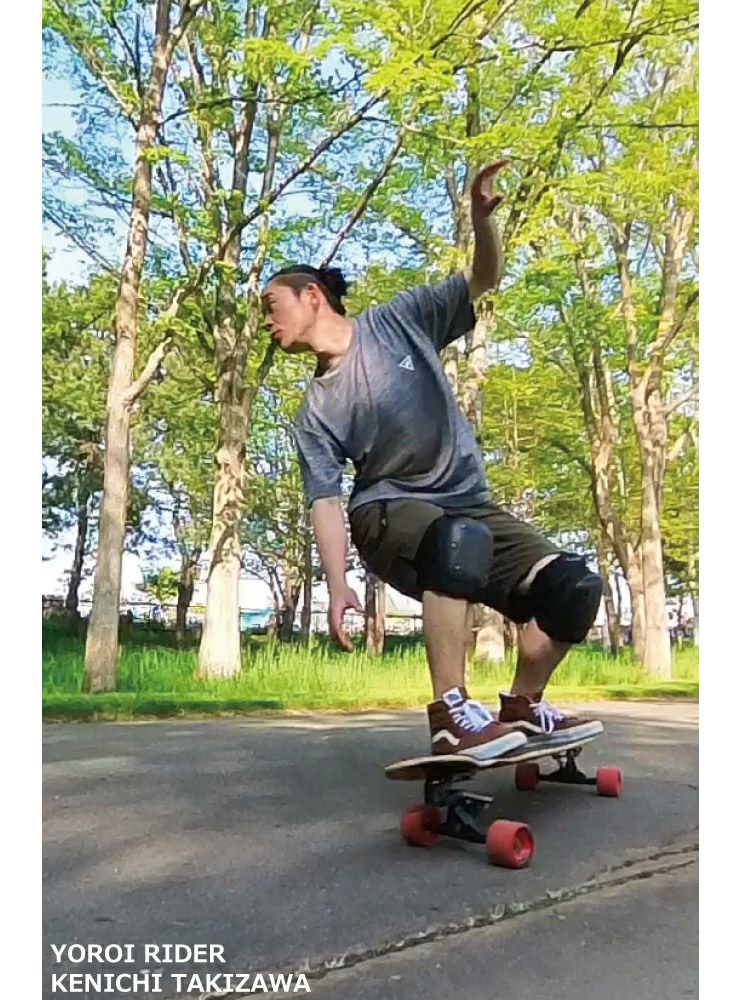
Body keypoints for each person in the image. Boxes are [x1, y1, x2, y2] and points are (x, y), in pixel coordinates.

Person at [262, 159, 604, 762]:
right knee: (457, 540)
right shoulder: (315, 408)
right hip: (387, 514)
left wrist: (482, 221)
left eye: (271, 305)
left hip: (468, 504)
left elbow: (484, 277)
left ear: (311, 296)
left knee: (573, 586)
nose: (266, 322)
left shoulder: (399, 321)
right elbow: (325, 500)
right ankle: (451, 714)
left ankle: (524, 705)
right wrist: (338, 586)